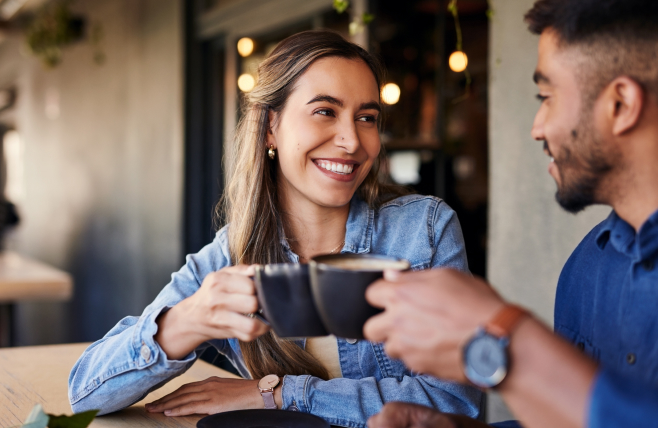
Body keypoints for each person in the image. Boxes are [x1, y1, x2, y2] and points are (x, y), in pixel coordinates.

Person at [68, 30, 483, 427]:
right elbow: (86, 392)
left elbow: (455, 402)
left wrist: (279, 393)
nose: (352, 141)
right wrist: (186, 320)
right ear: (270, 127)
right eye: (325, 111)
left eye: (367, 117)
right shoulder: (232, 253)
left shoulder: (422, 230)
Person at [363, 0, 658, 427]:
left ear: (620, 104)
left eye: (547, 97)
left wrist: (505, 338)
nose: (538, 127)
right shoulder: (587, 267)